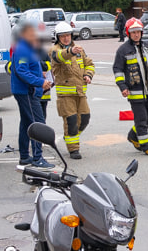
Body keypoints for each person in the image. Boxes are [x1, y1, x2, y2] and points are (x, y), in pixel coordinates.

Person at [113, 17, 148, 157]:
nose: (136, 34)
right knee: (141, 119)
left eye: (138, 31)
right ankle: (146, 146)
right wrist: (122, 86)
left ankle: (133, 135)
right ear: (128, 33)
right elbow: (118, 70)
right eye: (133, 32)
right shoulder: (123, 50)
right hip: (135, 92)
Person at [10, 22, 54, 170]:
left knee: (26, 123)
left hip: (27, 90)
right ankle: (37, 157)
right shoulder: (22, 49)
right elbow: (21, 71)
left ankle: (24, 156)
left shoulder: (27, 48)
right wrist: (40, 82)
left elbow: (27, 68)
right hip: (27, 92)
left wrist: (39, 74)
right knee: (37, 123)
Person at [50, 23, 94, 160]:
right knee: (71, 120)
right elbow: (60, 57)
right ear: (57, 37)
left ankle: (69, 136)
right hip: (65, 95)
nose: (66, 38)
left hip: (80, 92)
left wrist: (88, 75)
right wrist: (71, 51)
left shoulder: (79, 49)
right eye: (62, 36)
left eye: (68, 35)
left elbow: (89, 64)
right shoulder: (54, 50)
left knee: (85, 118)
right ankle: (73, 149)